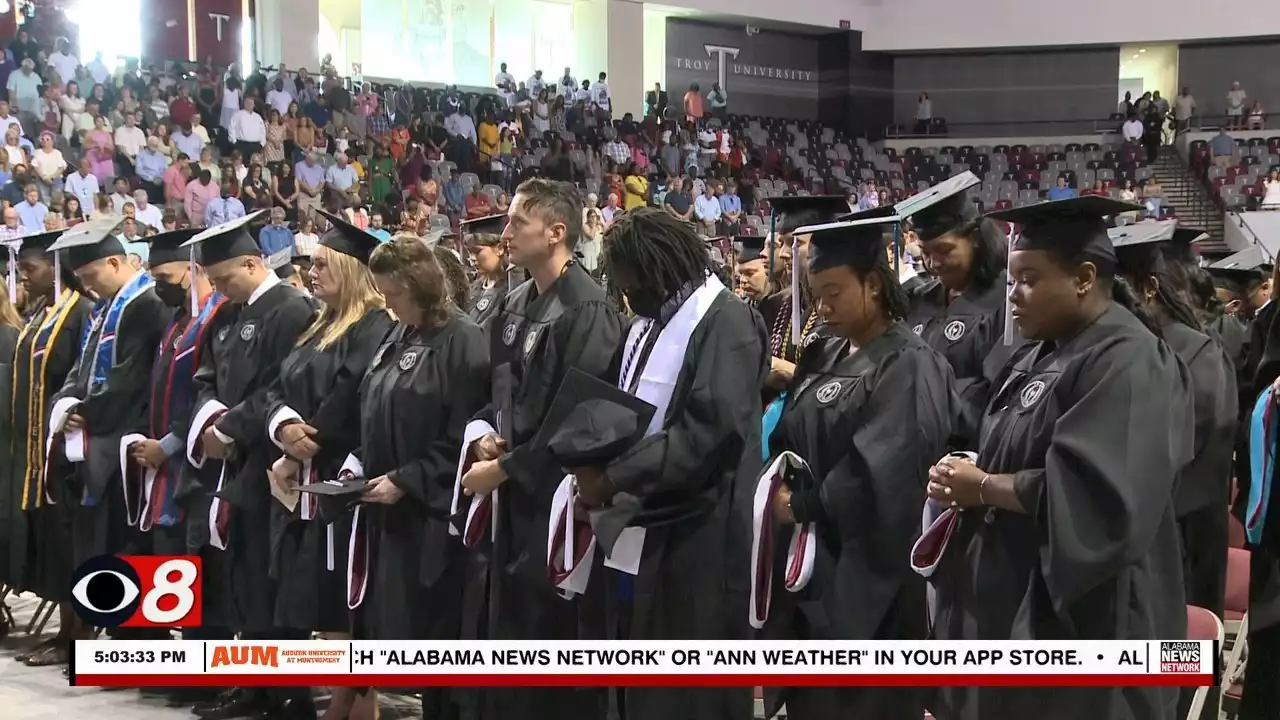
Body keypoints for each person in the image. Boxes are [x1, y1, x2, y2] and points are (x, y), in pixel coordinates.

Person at [925, 197, 1193, 720]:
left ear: (1085, 277)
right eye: (1009, 282)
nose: (1013, 297)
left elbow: (1094, 496)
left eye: (1028, 279)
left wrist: (980, 487)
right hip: (1010, 608)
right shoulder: (1039, 354)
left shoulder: (1130, 361)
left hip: (1092, 623)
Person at [536, 207, 765, 720]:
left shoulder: (726, 320)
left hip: (695, 535)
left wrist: (613, 477)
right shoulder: (647, 325)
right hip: (639, 524)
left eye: (630, 280)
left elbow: (707, 431)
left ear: (657, 268)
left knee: (681, 695)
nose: (624, 293)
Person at [758, 208, 958, 720]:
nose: (822, 308)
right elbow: (789, 432)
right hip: (811, 565)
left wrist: (802, 503)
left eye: (834, 292)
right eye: (816, 294)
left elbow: (885, 470)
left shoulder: (910, 363)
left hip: (871, 579)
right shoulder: (824, 351)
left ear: (873, 283)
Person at [456, 179, 624, 720]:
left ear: (556, 233)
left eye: (515, 223)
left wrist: (506, 468)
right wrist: (482, 434)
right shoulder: (515, 299)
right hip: (509, 491)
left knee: (548, 635)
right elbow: (498, 391)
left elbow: (579, 417)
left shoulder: (588, 309)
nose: (504, 233)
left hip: (554, 500)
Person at [183, 211, 317, 720]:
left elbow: (279, 388)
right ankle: (253, 683)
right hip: (229, 465)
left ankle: (287, 690)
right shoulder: (226, 314)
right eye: (213, 282)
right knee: (243, 575)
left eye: (224, 279)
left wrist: (228, 429)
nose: (218, 289)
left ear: (253, 262)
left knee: (272, 578)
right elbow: (203, 381)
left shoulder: (290, 310)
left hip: (268, 462)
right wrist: (208, 425)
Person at [350, 237, 490, 720]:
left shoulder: (462, 339)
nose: (388, 306)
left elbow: (466, 435)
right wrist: (359, 465)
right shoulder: (400, 335)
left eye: (394, 295)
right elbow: (373, 408)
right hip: (392, 515)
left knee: (442, 645)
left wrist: (408, 478)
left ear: (419, 285)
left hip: (436, 518)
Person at [264, 211, 392, 720]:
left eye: (321, 263)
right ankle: (347, 705)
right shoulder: (319, 323)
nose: (310, 273)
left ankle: (348, 707)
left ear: (350, 268)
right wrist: (283, 426)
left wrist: (306, 441)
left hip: (343, 480)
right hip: (305, 476)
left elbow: (350, 394)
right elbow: (276, 387)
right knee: (323, 599)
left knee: (344, 601)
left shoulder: (374, 324)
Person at [1110, 221, 1237, 720]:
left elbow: (1190, 461)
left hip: (1179, 543)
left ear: (1147, 287)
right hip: (1133, 539)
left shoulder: (1196, 353)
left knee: (1174, 682)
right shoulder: (1117, 349)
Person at [45, 221, 169, 630]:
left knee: (129, 546)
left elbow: (129, 379)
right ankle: (118, 640)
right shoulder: (103, 311)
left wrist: (86, 410)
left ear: (114, 262)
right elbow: (80, 370)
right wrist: (66, 403)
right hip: (98, 444)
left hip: (125, 445)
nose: (86, 287)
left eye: (88, 276)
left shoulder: (145, 304)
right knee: (105, 545)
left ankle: (141, 647)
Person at [1, 230, 95, 666]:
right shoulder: (42, 313)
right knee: (55, 542)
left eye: (31, 270)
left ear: (56, 269)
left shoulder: (80, 314)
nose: (24, 278)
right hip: (35, 449)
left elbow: (86, 378)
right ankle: (65, 631)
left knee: (70, 541)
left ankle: (79, 634)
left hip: (65, 448)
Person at [897, 172, 1017, 445]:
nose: (933, 263)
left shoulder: (1008, 300)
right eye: (926, 252)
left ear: (974, 238)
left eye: (944, 250)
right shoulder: (920, 300)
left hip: (970, 451)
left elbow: (999, 391)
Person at [759, 196, 853, 402]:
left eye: (795, 243)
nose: (783, 253)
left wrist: (792, 373)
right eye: (782, 243)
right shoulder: (779, 304)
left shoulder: (848, 307)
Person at [461, 214, 511, 329]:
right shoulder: (474, 288)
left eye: (477, 251)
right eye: (469, 252)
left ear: (499, 249)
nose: (472, 258)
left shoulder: (512, 290)